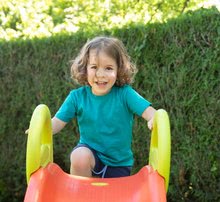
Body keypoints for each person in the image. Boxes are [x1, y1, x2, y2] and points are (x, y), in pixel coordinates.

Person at [50, 36, 156, 178]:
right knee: (79, 155)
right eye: (94, 67)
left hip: (118, 165)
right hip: (90, 160)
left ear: (118, 70)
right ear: (85, 69)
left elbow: (152, 113)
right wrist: (42, 128)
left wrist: (153, 119)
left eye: (108, 68)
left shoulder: (125, 94)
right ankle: (80, 195)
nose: (100, 74)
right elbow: (57, 122)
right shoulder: (77, 97)